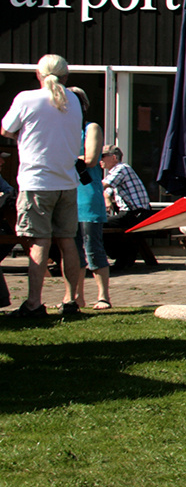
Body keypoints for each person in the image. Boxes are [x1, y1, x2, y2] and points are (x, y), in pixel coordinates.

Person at [2, 55, 84, 318]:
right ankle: (71, 300)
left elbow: (5, 129)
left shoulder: (26, 98)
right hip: (67, 182)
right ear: (66, 76)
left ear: (38, 75)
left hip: (36, 182)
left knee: (39, 243)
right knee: (67, 241)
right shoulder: (74, 100)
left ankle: (34, 303)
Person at [70, 88, 110, 310]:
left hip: (86, 197)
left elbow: (92, 159)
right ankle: (76, 297)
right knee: (71, 250)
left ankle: (103, 296)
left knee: (92, 247)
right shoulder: (62, 130)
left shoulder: (90, 128)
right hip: (65, 196)